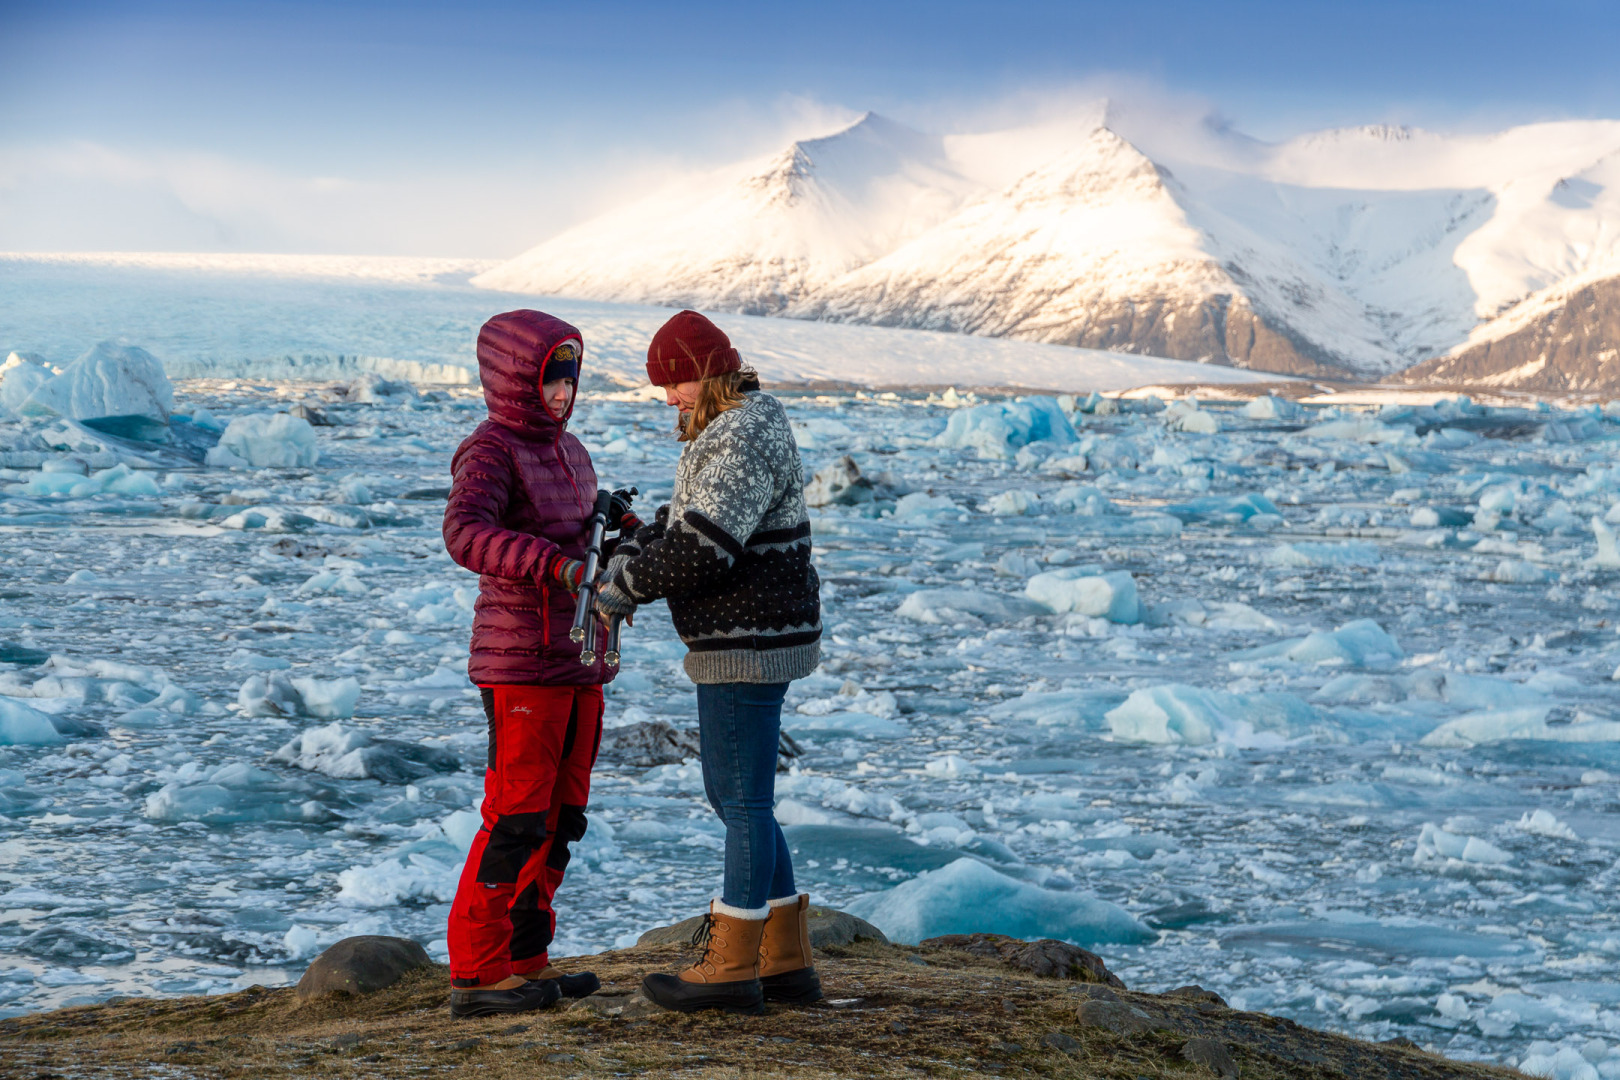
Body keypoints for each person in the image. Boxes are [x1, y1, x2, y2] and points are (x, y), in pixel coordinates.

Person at [595, 310, 822, 1015]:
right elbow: (683, 522)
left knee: (741, 800)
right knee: (740, 798)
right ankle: (783, 958)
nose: (669, 398)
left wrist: (623, 587)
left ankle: (730, 966)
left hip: (747, 641)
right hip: (750, 635)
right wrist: (638, 545)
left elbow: (706, 546)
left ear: (707, 373)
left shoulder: (742, 435)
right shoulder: (732, 431)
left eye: (675, 383)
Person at [440, 309, 636, 1019]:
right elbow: (465, 533)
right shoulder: (490, 449)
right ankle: (477, 970)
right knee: (517, 815)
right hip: (521, 659)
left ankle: (526, 959)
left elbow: (582, 537)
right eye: (550, 377)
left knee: (562, 817)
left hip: (580, 659)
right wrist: (551, 567)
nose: (562, 391)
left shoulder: (571, 452)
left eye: (571, 376)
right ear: (515, 377)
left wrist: (629, 543)